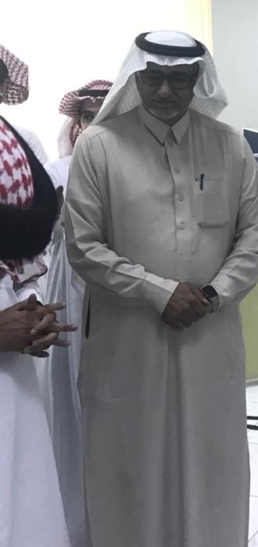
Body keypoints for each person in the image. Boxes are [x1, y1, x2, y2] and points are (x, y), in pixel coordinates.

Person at [65, 31, 258, 547]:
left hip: (209, 337)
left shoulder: (229, 145)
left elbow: (255, 235)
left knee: (211, 458)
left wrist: (214, 295)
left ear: (197, 79)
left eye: (178, 78)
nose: (164, 90)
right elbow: (84, 247)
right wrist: (159, 292)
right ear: (136, 77)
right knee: (130, 459)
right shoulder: (99, 146)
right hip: (128, 343)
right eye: (153, 77)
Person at [0, 44, 75, 547]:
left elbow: (22, 250)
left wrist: (31, 307)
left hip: (12, 363)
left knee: (22, 490)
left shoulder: (16, 143)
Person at [41, 79, 111, 547]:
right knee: (68, 401)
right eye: (85, 118)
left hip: (119, 295)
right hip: (66, 289)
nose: (90, 127)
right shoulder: (55, 172)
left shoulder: (130, 168)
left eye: (101, 118)